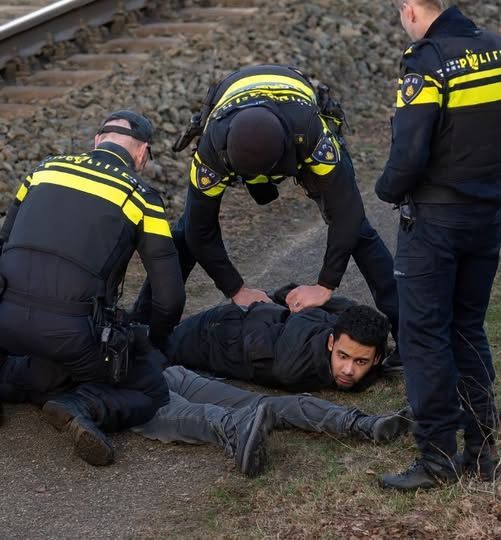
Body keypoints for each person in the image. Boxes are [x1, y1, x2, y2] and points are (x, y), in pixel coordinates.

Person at [134, 64, 400, 363]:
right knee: (186, 232)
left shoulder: (312, 135)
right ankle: (142, 333)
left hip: (294, 119)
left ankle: (409, 336)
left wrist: (325, 285)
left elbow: (346, 214)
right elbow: (201, 230)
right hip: (232, 108)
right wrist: (236, 289)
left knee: (358, 231)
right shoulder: (211, 150)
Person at [0, 110, 188, 466]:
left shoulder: (43, 171)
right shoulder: (141, 196)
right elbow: (169, 297)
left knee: (40, 365)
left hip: (5, 323)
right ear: (141, 153)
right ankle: (80, 406)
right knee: (150, 388)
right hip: (72, 335)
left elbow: (4, 244)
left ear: (97, 141)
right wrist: (152, 343)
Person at [375, 1, 501, 490]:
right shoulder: (494, 48)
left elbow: (409, 154)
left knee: (424, 336)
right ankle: (482, 449)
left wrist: (386, 190)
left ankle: (437, 458)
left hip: (435, 223)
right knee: (467, 327)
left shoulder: (426, 62)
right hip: (487, 218)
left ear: (409, 9)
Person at [0, 352, 412, 477]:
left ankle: (363, 424)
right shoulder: (46, 304)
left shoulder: (18, 344)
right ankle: (361, 423)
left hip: (136, 391)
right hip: (151, 375)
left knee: (206, 413)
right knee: (252, 404)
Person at [165, 302, 389, 392]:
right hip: (213, 334)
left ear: (377, 358)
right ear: (331, 342)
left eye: (361, 361)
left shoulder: (344, 330)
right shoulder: (293, 369)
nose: (348, 370)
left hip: (252, 319)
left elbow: (341, 309)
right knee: (158, 351)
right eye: (343, 356)